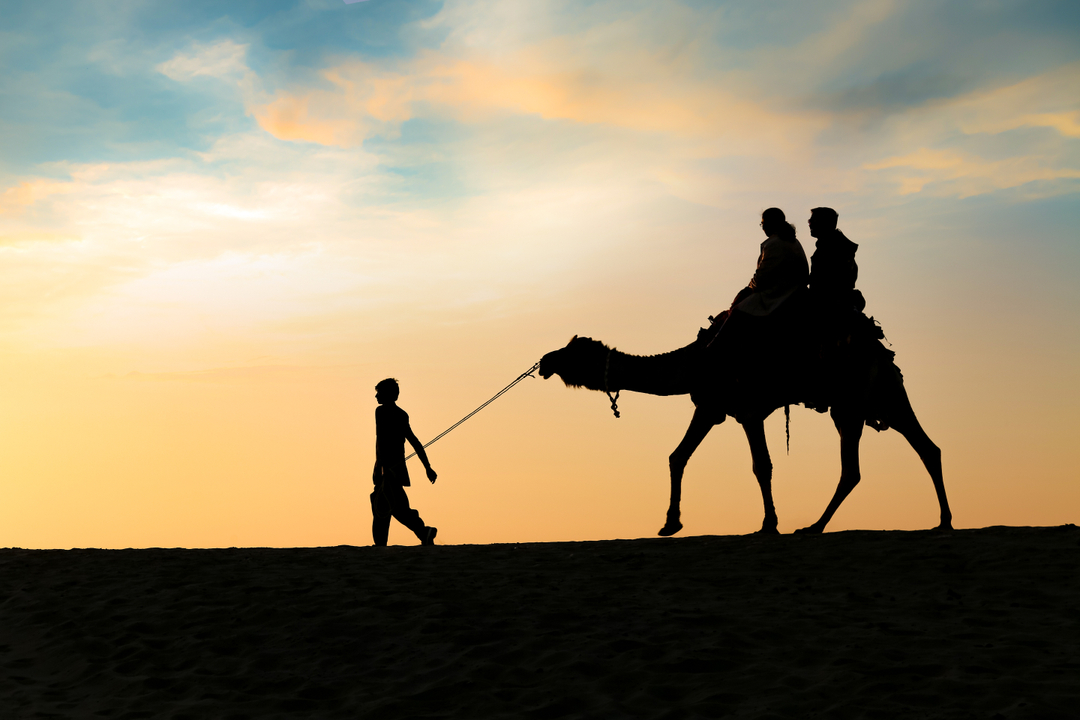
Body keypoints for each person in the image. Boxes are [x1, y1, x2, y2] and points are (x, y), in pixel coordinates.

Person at [371, 378, 438, 547]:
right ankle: (424, 532)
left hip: (387, 471)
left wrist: (385, 469)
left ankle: (382, 545)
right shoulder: (401, 415)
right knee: (395, 507)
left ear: (386, 395)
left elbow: (384, 443)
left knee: (385, 507)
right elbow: (414, 442)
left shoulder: (381, 412)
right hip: (394, 470)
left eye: (379, 393)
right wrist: (427, 467)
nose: (376, 396)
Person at [807, 207, 861, 323]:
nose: (809, 224)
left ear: (824, 223)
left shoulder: (832, 249)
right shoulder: (837, 246)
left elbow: (826, 283)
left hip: (830, 311)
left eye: (812, 221)